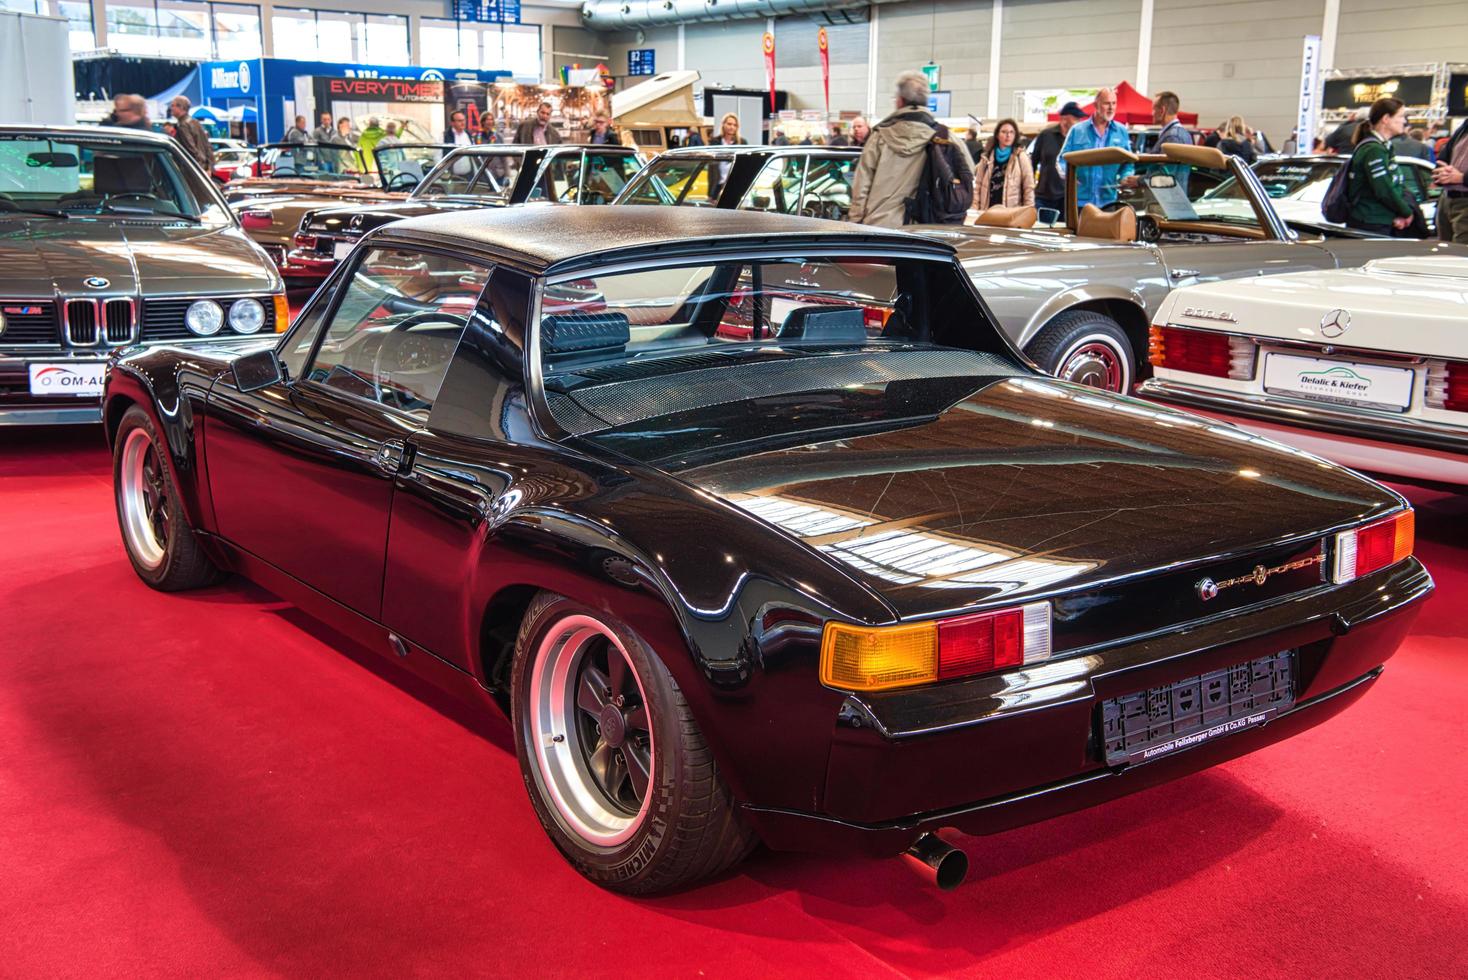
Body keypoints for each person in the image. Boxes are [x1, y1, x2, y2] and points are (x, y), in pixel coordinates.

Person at [850, 70, 974, 228]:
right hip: (928, 230)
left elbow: (862, 185)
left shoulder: (879, 137)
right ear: (926, 102)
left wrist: (855, 223)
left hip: (880, 227)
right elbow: (967, 174)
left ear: (900, 101)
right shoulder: (946, 137)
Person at [1345, 97, 1417, 237]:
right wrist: (1406, 212)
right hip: (1370, 221)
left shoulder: (1383, 146)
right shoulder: (1374, 149)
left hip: (1379, 220)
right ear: (1386, 119)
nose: (1404, 121)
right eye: (1401, 116)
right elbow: (1383, 189)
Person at [1056, 88, 1132, 210]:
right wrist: (1070, 175)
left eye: (1114, 103)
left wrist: (1125, 177)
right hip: (1080, 202)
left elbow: (1129, 163)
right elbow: (1062, 159)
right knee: (1079, 230)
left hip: (1109, 201)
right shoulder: (1077, 130)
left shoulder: (1121, 131)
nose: (1111, 108)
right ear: (1096, 105)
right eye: (1107, 103)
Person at [1030, 101, 1085, 217]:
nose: (1079, 122)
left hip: (1068, 198)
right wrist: (1029, 189)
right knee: (1042, 231)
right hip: (1044, 197)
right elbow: (1032, 163)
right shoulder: (1046, 135)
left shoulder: (1079, 139)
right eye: (1076, 118)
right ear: (1064, 119)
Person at [972, 118, 1034, 211]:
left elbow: (1028, 187)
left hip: (1012, 212)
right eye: (1004, 132)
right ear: (997, 135)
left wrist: (1028, 210)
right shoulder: (986, 157)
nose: (1008, 135)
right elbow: (978, 186)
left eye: (1011, 132)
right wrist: (974, 209)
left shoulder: (1020, 157)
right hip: (987, 210)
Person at [1432, 115, 1468, 244]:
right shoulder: (1465, 126)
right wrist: (1441, 172)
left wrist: (1462, 178)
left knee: (1460, 257)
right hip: (1447, 199)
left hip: (1465, 203)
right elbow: (1443, 157)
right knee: (1444, 253)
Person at [169, 96, 213, 171]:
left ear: (181, 107)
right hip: (203, 167)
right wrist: (209, 167)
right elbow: (207, 145)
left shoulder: (183, 125)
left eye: (173, 105)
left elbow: (191, 150)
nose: (171, 108)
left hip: (193, 168)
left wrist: (197, 168)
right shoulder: (195, 122)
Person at [710, 113, 746, 197]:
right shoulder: (715, 142)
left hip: (735, 185)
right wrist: (710, 192)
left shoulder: (742, 143)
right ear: (723, 124)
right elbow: (711, 168)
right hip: (718, 185)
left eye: (735, 125)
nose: (732, 127)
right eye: (729, 124)